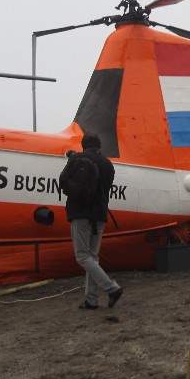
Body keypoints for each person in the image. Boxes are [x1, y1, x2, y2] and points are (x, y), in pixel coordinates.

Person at [64, 132, 123, 310]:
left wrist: (71, 160)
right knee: (92, 256)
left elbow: (63, 181)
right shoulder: (108, 164)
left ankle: (112, 288)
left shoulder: (77, 159)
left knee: (82, 256)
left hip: (81, 213)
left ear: (83, 145)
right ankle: (91, 300)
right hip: (100, 214)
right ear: (99, 146)